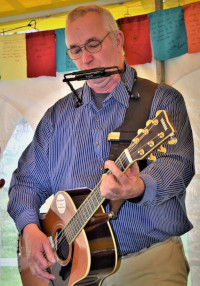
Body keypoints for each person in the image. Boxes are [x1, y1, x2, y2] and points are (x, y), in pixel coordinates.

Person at [8, 4, 194, 286]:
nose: (85, 58)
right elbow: (24, 184)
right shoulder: (57, 117)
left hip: (148, 266)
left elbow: (178, 165)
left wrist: (139, 186)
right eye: (75, 50)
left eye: (93, 44)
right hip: (73, 272)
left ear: (118, 41)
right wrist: (30, 229)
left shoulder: (162, 100)